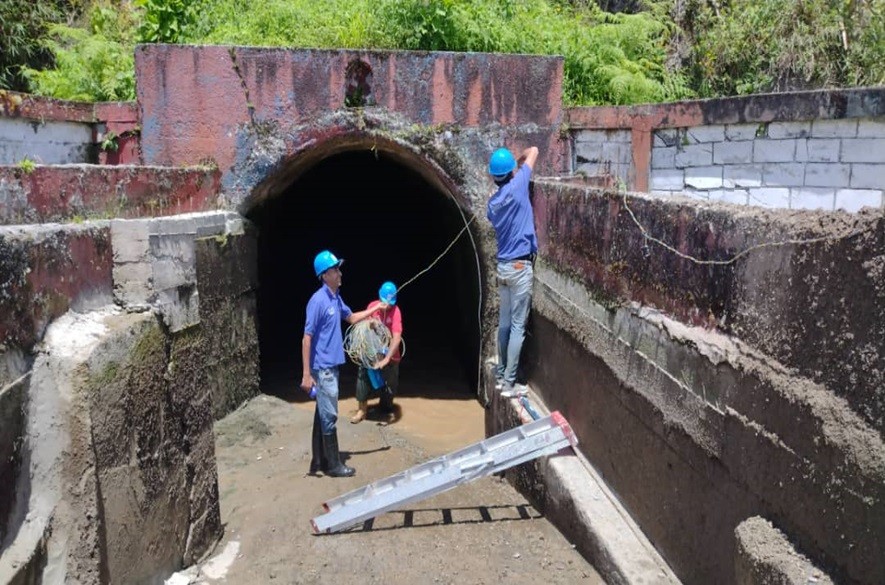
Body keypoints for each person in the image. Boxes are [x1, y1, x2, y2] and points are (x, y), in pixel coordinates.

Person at [302, 250, 387, 477]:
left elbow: (350, 317)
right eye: (335, 270)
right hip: (324, 368)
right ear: (325, 275)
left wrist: (375, 309)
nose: (340, 273)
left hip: (331, 367)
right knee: (329, 415)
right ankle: (333, 465)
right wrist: (306, 374)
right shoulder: (318, 301)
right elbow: (307, 338)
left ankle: (318, 460)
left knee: (322, 410)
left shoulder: (335, 298)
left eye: (339, 269)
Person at [486, 145, 539, 393]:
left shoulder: (492, 204)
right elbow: (534, 151)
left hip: (503, 269)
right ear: (510, 172)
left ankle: (499, 375)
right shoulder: (518, 186)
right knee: (518, 326)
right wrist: (519, 159)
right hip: (519, 266)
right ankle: (509, 382)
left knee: (504, 324)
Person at [351, 281, 403, 424]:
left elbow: (397, 337)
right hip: (372, 352)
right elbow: (364, 330)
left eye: (391, 303)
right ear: (380, 298)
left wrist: (386, 359)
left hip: (390, 355)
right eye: (385, 302)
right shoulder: (372, 307)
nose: (388, 305)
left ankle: (385, 409)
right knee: (363, 375)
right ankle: (362, 410)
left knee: (389, 386)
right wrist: (371, 325)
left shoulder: (396, 311)